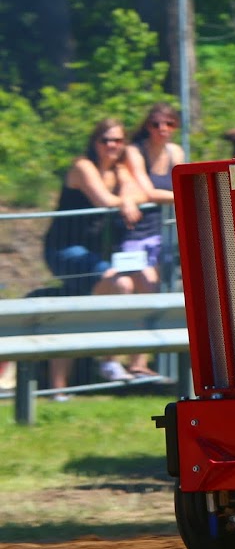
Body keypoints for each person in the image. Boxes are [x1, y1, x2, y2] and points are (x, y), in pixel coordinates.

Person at [42, 118, 153, 390]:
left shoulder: (118, 170)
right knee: (121, 284)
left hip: (97, 255)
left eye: (117, 140)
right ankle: (109, 359)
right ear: (95, 143)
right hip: (66, 250)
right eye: (105, 140)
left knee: (142, 280)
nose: (112, 146)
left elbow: (139, 191)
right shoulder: (83, 166)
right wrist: (127, 199)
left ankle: (129, 363)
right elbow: (103, 200)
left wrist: (127, 194)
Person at [114, 102, 186, 377]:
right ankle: (136, 362)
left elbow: (182, 182)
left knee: (163, 288)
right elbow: (147, 190)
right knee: (145, 285)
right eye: (156, 124)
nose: (162, 130)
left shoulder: (175, 152)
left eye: (168, 124)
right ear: (147, 126)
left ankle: (147, 362)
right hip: (136, 231)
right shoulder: (135, 151)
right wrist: (183, 195)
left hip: (166, 231)